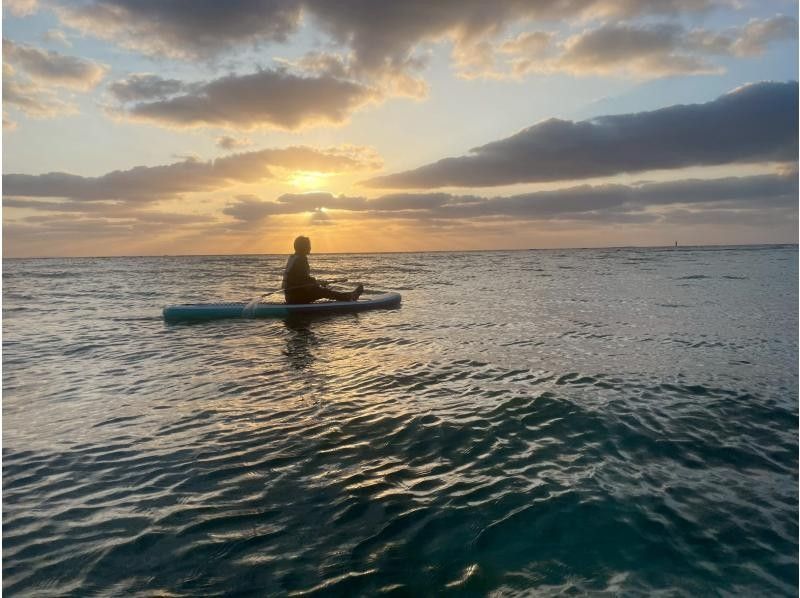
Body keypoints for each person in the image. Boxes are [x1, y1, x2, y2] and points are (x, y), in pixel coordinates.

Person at [283, 236, 363, 304]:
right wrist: (316, 284)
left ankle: (346, 296)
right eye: (308, 245)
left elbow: (299, 279)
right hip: (296, 297)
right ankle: (349, 297)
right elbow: (302, 280)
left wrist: (316, 282)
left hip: (290, 296)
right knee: (323, 292)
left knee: (322, 290)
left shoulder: (293, 258)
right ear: (303, 247)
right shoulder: (301, 260)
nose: (310, 247)